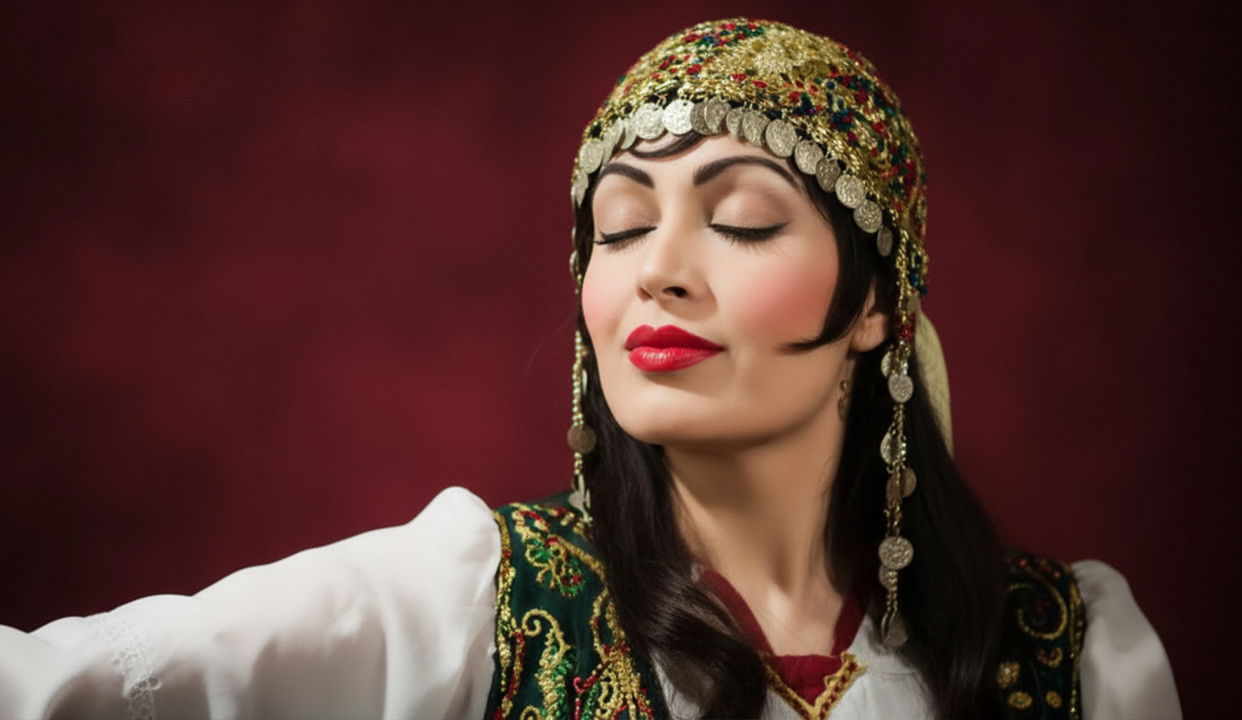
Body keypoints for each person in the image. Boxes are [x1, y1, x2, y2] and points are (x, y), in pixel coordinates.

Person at [0, 18, 1180, 720]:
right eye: (617, 229)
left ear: (874, 304)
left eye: (745, 221)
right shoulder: (470, 606)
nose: (656, 272)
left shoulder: (1070, 649)